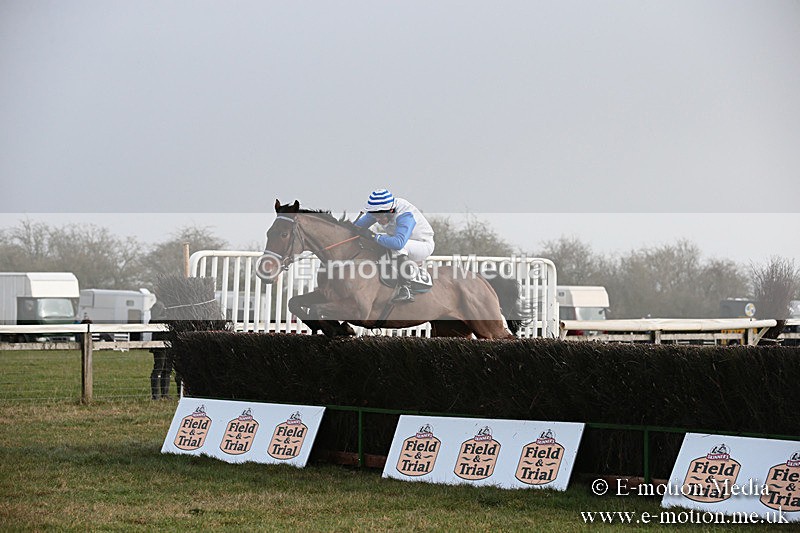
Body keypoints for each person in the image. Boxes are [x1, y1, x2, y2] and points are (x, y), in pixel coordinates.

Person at [354, 189, 435, 302]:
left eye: (379, 216)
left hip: (422, 244)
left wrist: (373, 236)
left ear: (390, 211)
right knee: (372, 239)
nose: (377, 219)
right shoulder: (380, 210)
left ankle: (406, 288)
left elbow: (398, 243)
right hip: (401, 240)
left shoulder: (404, 214)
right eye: (374, 215)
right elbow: (356, 227)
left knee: (396, 247)